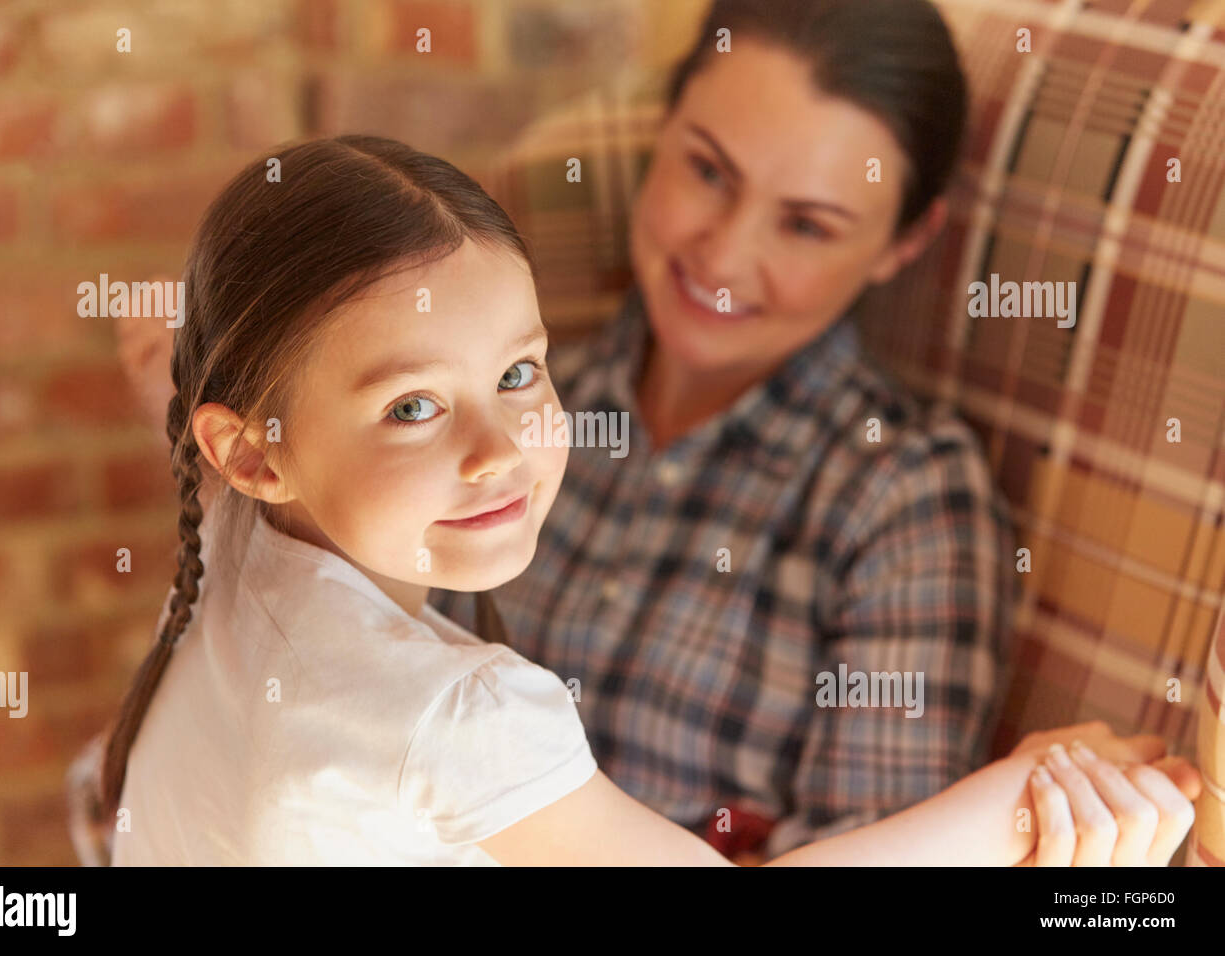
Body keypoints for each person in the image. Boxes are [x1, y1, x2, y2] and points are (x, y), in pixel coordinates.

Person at [101, 133, 1198, 866]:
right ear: (254, 454)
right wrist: (1019, 794)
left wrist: (179, 376)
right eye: (411, 408)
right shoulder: (456, 718)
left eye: (520, 374)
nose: (501, 450)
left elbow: (216, 443)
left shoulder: (242, 529)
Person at [429, 0, 1033, 859]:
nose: (723, 255)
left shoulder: (906, 497)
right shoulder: (522, 396)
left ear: (904, 242)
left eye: (806, 224)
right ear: (663, 129)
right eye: (709, 172)